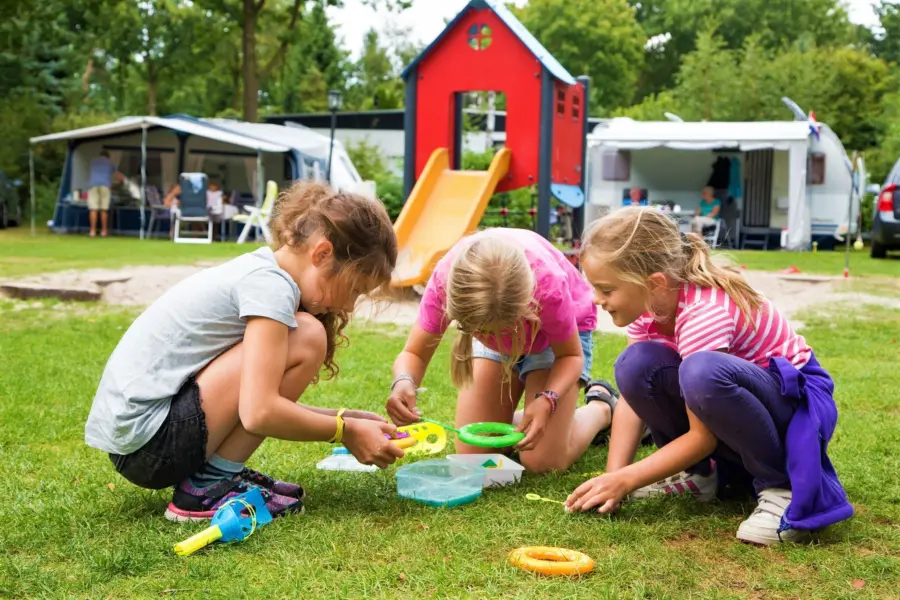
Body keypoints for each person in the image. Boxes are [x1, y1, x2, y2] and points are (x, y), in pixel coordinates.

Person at [85, 181, 405, 521]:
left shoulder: (264, 274)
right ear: (322, 253)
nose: (348, 305)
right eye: (353, 289)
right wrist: (344, 431)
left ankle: (218, 476)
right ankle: (206, 487)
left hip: (142, 443)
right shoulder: (270, 287)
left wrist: (345, 418)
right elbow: (259, 411)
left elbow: (253, 398)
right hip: (151, 444)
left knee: (305, 334)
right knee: (309, 335)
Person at [565, 207, 853, 545]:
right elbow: (631, 398)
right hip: (738, 401)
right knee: (635, 363)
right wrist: (613, 479)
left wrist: (630, 479)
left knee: (702, 372)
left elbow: (703, 434)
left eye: (606, 289)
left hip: (794, 403)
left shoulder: (705, 311)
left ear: (655, 282)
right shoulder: (651, 304)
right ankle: (702, 475)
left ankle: (781, 488)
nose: (596, 300)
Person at [384, 228, 618, 473]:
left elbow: (570, 356)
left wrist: (548, 398)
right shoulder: (449, 281)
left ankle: (601, 407)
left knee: (542, 462)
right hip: (505, 315)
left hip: (553, 340)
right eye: (479, 332)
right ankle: (526, 419)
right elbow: (415, 353)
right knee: (474, 452)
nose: (489, 339)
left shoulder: (547, 285)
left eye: (500, 331)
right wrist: (403, 381)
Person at [87, 151, 123, 238]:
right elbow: (118, 177)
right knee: (104, 209)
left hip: (93, 185)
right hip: (105, 185)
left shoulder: (93, 162)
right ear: (108, 157)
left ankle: (92, 231)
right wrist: (122, 181)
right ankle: (104, 231)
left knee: (93, 209)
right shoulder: (110, 163)